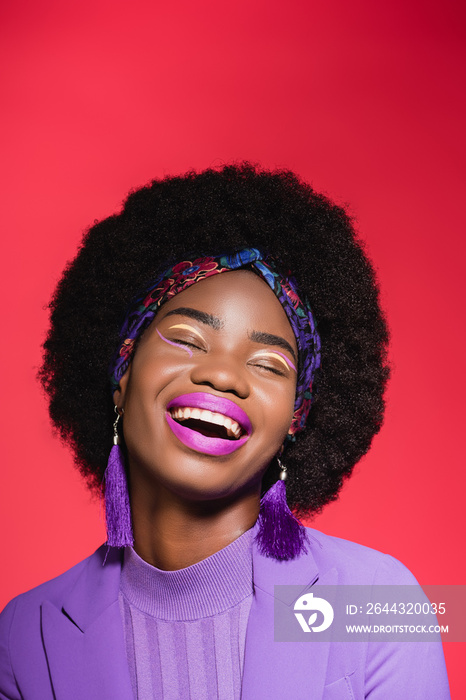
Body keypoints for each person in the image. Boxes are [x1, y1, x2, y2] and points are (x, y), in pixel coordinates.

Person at [0, 163, 450, 699]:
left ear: (295, 419)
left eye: (268, 364)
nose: (222, 375)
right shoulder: (26, 634)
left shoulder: (380, 603)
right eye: (188, 339)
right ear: (121, 375)